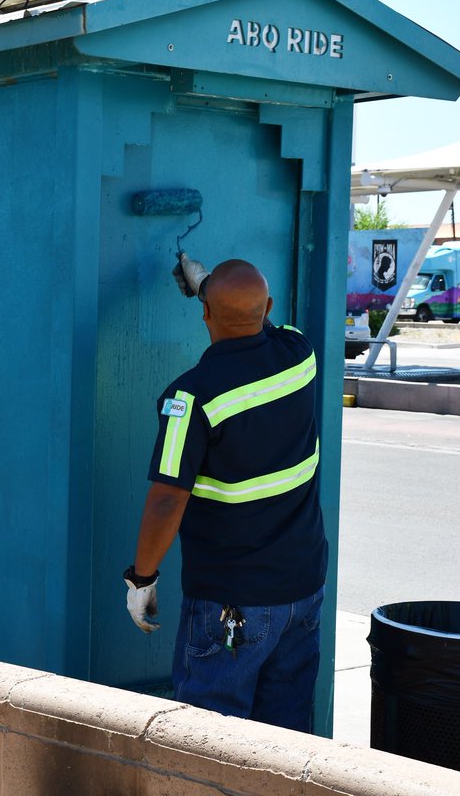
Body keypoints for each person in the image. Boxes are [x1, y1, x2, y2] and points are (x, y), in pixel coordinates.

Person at [124, 256, 328, 733]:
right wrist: (211, 288)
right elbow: (265, 323)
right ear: (269, 306)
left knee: (207, 746)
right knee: (284, 746)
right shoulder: (300, 356)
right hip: (302, 595)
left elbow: (167, 499)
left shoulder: (190, 399)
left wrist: (142, 579)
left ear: (205, 316)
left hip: (231, 606)